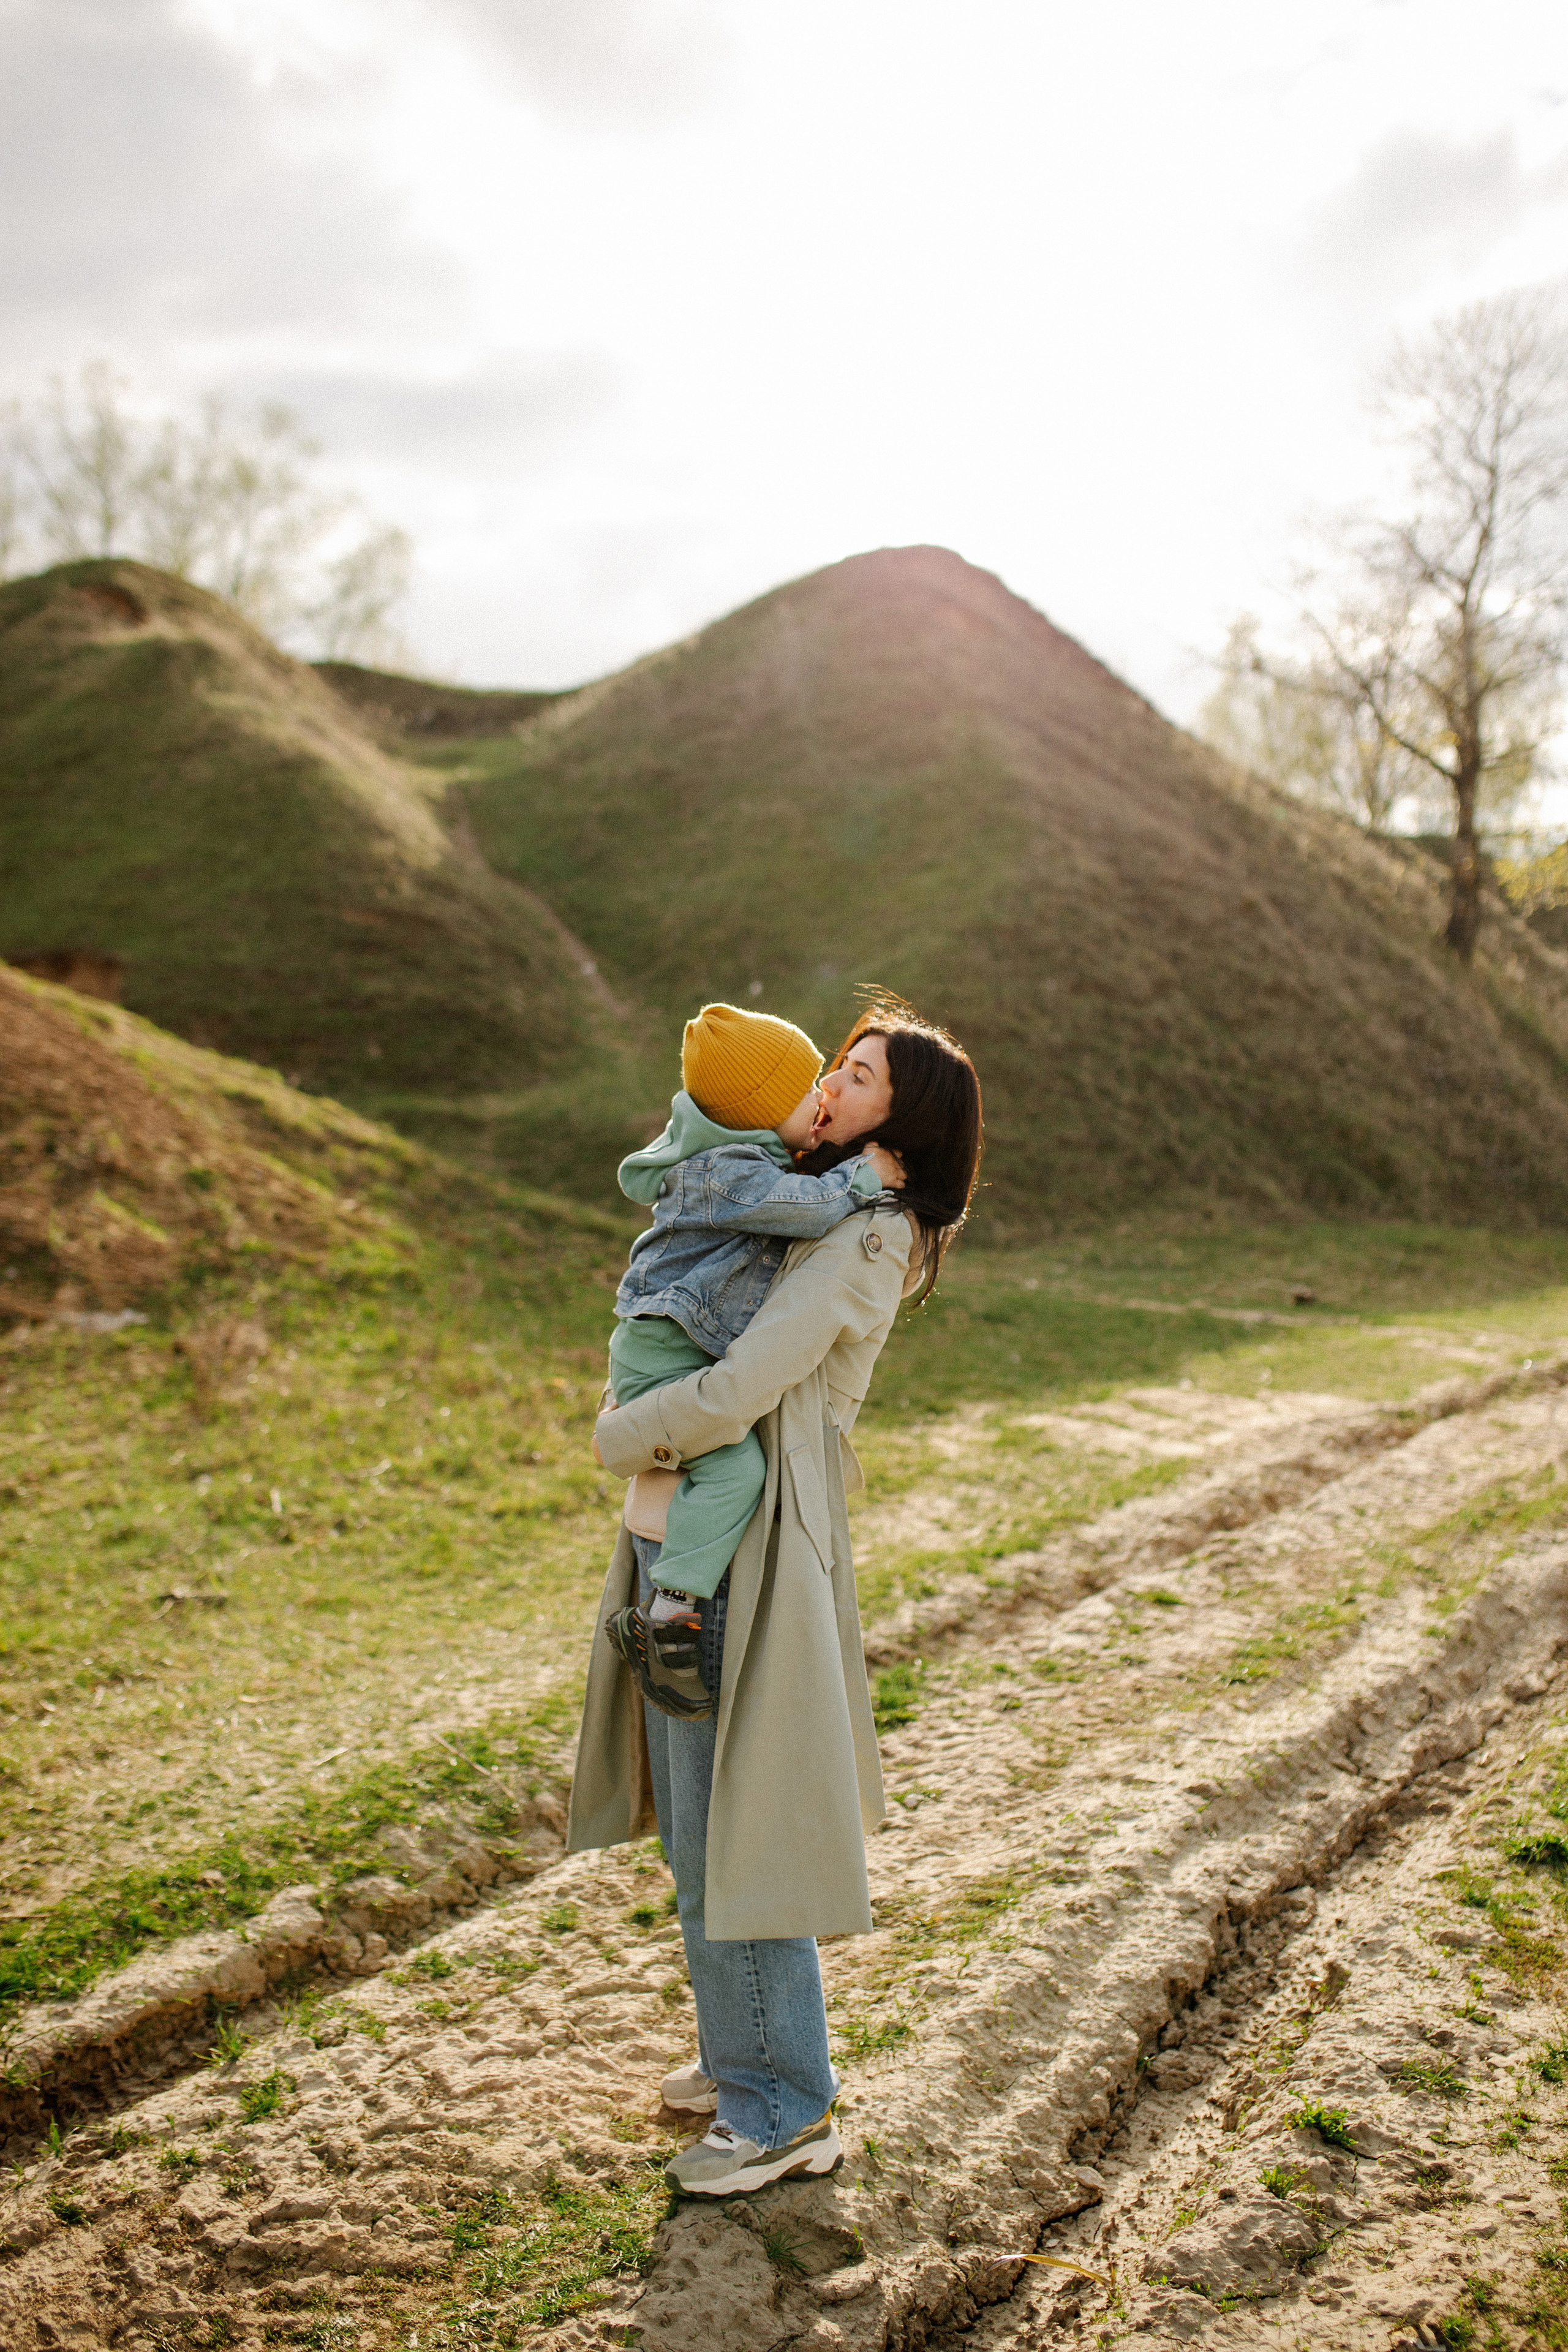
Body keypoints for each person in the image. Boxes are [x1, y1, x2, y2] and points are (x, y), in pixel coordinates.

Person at [567, 999, 983, 2198]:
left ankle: (785, 2109)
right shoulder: (784, 1191)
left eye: (855, 1076)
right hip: (682, 1530)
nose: (828, 1085)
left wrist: (619, 1434)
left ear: (901, 1120)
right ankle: (734, 2053)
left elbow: (745, 1384)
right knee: (697, 1829)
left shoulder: (866, 1233)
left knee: (735, 1831)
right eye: (837, 1067)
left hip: (746, 1547)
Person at [605, 1001, 904, 1637]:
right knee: (736, 1468)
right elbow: (809, 1209)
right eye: (805, 1088)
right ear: (759, 1112)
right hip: (664, 1350)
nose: (820, 1093)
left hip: (670, 1344)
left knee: (731, 1463)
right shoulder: (730, 1176)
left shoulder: (740, 1164)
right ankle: (673, 1605)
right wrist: (864, 1175)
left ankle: (673, 1595)